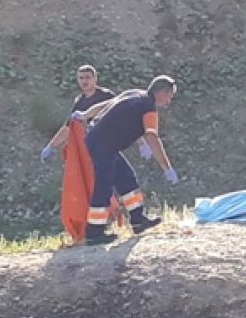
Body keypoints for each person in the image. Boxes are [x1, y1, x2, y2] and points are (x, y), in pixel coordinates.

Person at [73, 75, 179, 245]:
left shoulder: (134, 93)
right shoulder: (148, 108)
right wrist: (167, 168)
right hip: (103, 145)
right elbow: (152, 136)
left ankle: (138, 220)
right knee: (104, 186)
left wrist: (86, 114)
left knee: (127, 178)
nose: (169, 102)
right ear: (161, 92)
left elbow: (107, 105)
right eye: (169, 97)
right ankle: (94, 232)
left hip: (100, 140)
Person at [41, 65, 115, 162]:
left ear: (95, 78)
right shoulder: (79, 101)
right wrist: (51, 146)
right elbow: (68, 127)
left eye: (88, 77)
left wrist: (85, 115)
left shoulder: (106, 96)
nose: (84, 81)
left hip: (108, 144)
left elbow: (119, 114)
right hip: (90, 147)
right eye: (81, 78)